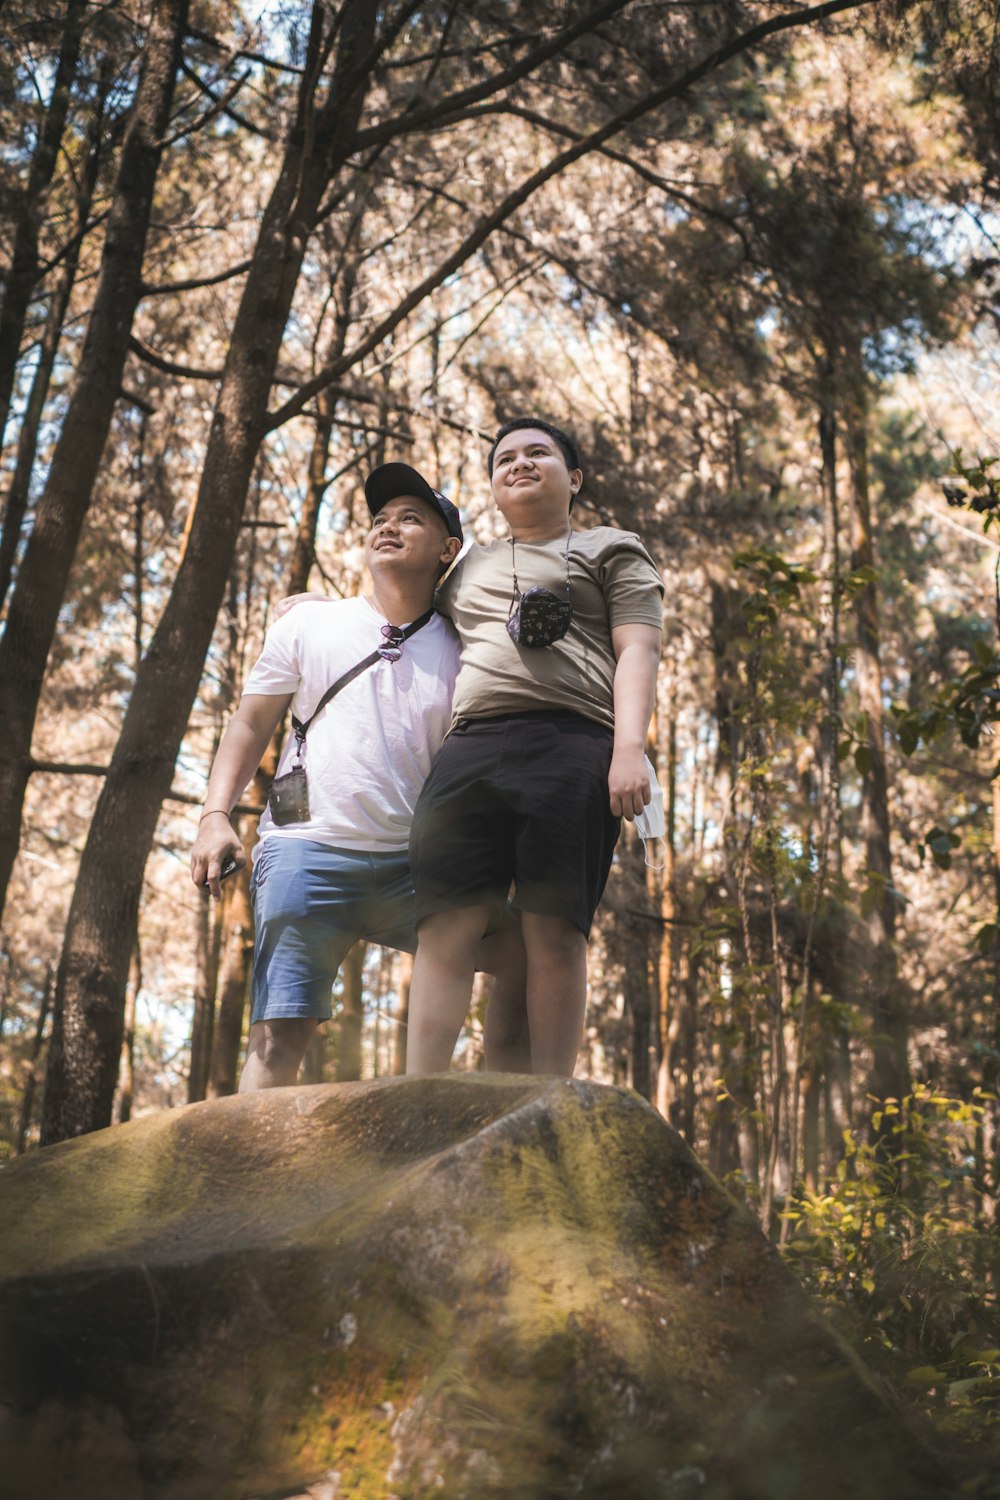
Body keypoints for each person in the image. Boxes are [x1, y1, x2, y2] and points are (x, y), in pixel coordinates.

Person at [190, 469, 526, 1090]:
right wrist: (215, 816)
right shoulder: (308, 625)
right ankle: (250, 1182)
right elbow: (248, 724)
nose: (387, 527)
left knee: (523, 954)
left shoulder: (465, 647)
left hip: (417, 868)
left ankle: (498, 1118)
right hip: (306, 854)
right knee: (278, 1038)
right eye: (379, 519)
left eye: (410, 518)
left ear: (449, 550)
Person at [404, 417, 664, 1077]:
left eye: (538, 454)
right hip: (470, 749)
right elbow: (396, 616)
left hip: (574, 743)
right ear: (492, 486)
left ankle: (549, 1096)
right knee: (445, 922)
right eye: (505, 459)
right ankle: (418, 1087)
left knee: (553, 925)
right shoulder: (465, 569)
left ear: (573, 478)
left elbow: (639, 648)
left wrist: (627, 748)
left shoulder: (613, 548)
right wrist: (315, 608)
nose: (520, 464)